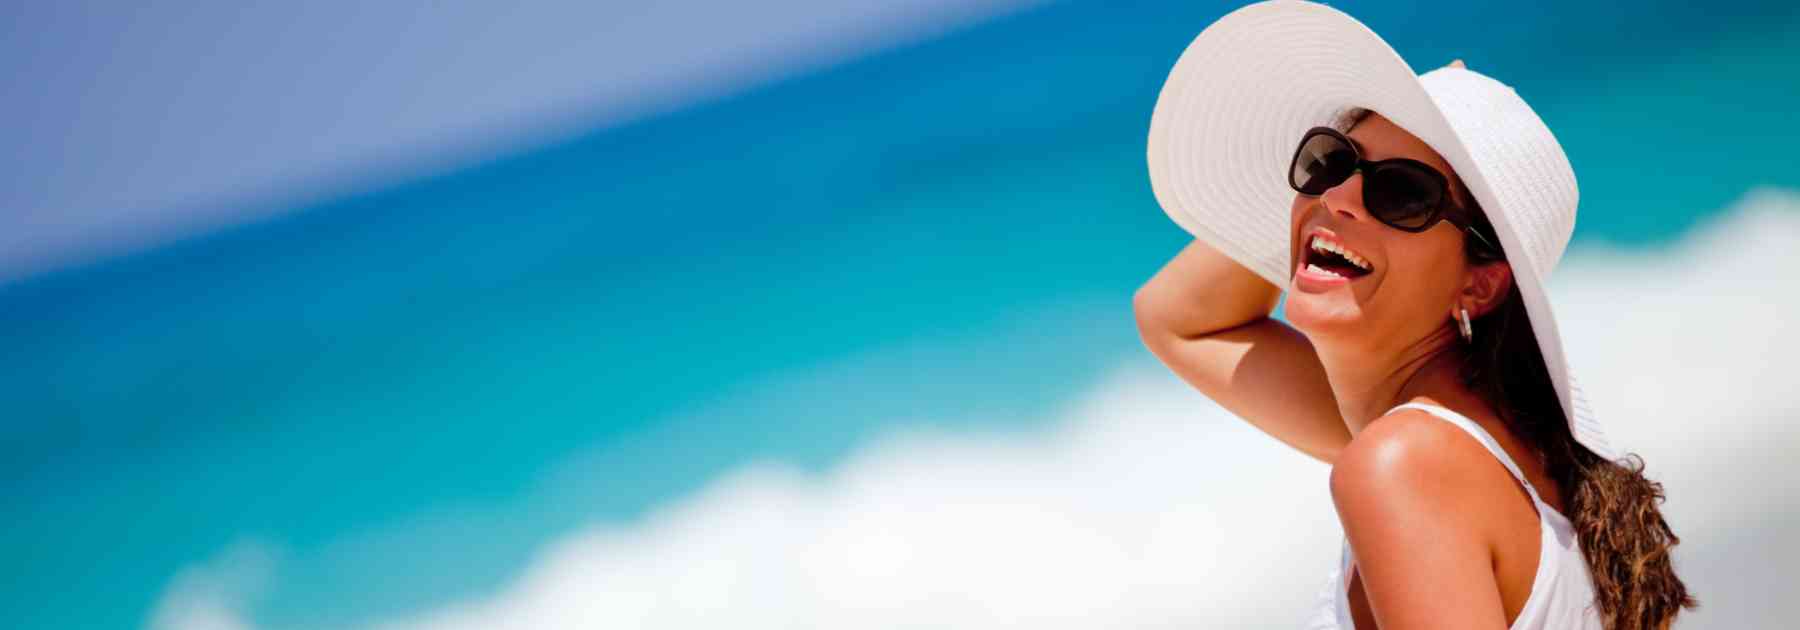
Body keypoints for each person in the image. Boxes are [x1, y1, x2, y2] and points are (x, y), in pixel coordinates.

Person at [1132, 2, 1697, 628]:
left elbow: (1182, 323)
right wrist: (1355, 172)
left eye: (1403, 194)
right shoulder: (1479, 446)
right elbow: (1178, 318)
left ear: (1480, 284)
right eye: (1332, 161)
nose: (1341, 194)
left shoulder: (1403, 463)